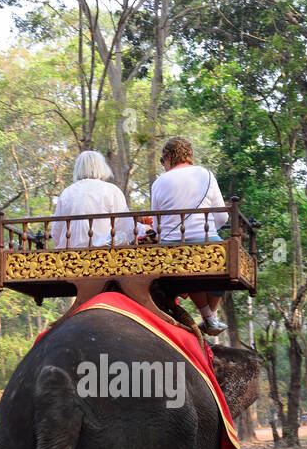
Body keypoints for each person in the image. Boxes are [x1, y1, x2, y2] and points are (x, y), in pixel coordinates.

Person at [150, 136, 227, 335]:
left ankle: (209, 317)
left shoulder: (159, 183)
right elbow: (222, 217)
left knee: (189, 268)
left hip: (171, 249)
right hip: (207, 244)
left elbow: (157, 226)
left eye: (163, 161)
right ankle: (211, 317)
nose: (163, 165)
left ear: (168, 157)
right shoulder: (206, 175)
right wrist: (208, 231)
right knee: (224, 260)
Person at [49, 151, 136, 249]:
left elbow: (56, 232)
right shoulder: (111, 190)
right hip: (104, 255)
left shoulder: (66, 193)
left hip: (70, 257)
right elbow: (126, 228)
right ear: (102, 167)